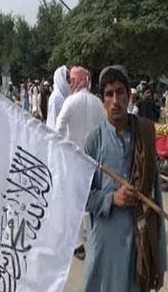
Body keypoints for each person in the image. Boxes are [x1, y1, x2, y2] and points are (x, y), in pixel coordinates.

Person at [83, 67, 167, 292]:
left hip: (137, 244)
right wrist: (112, 198)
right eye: (109, 94)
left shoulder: (144, 134)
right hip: (104, 247)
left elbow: (156, 201)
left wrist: (159, 260)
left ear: (129, 96)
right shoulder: (94, 141)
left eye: (120, 92)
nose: (115, 100)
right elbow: (81, 196)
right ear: (102, 100)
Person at [55, 66, 105, 260]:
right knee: (92, 201)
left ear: (75, 82)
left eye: (71, 81)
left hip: (74, 161)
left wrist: (62, 152)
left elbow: (58, 131)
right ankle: (95, 240)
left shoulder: (70, 102)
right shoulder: (98, 103)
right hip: (94, 161)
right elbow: (104, 130)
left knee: (74, 203)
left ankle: (77, 245)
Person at [46, 65, 70, 130]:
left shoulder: (66, 95)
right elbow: (53, 122)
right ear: (61, 79)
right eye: (67, 77)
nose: (69, 80)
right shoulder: (55, 98)